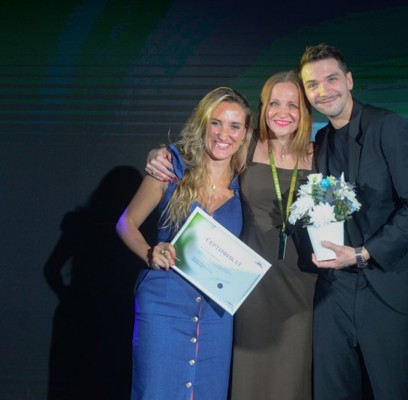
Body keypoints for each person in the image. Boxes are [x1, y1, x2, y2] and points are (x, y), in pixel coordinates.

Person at [145, 71, 317, 399]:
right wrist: (161, 154)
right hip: (245, 285)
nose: (283, 112)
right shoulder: (248, 145)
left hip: (300, 285)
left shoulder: (320, 152)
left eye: (293, 105)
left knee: (291, 380)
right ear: (263, 108)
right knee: (247, 379)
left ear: (304, 111)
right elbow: (203, 148)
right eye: (274, 103)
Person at [298, 43, 408, 400]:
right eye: (312, 84)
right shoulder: (322, 139)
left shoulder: (386, 126)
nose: (323, 91)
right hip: (335, 289)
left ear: (349, 80)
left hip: (389, 283)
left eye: (331, 79)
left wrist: (363, 253)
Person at [116, 87, 252, 400]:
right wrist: (149, 252)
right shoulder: (171, 168)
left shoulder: (246, 183)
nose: (224, 134)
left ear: (245, 133)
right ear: (203, 124)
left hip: (216, 315)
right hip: (164, 305)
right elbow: (126, 223)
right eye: (216, 122)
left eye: (235, 126)